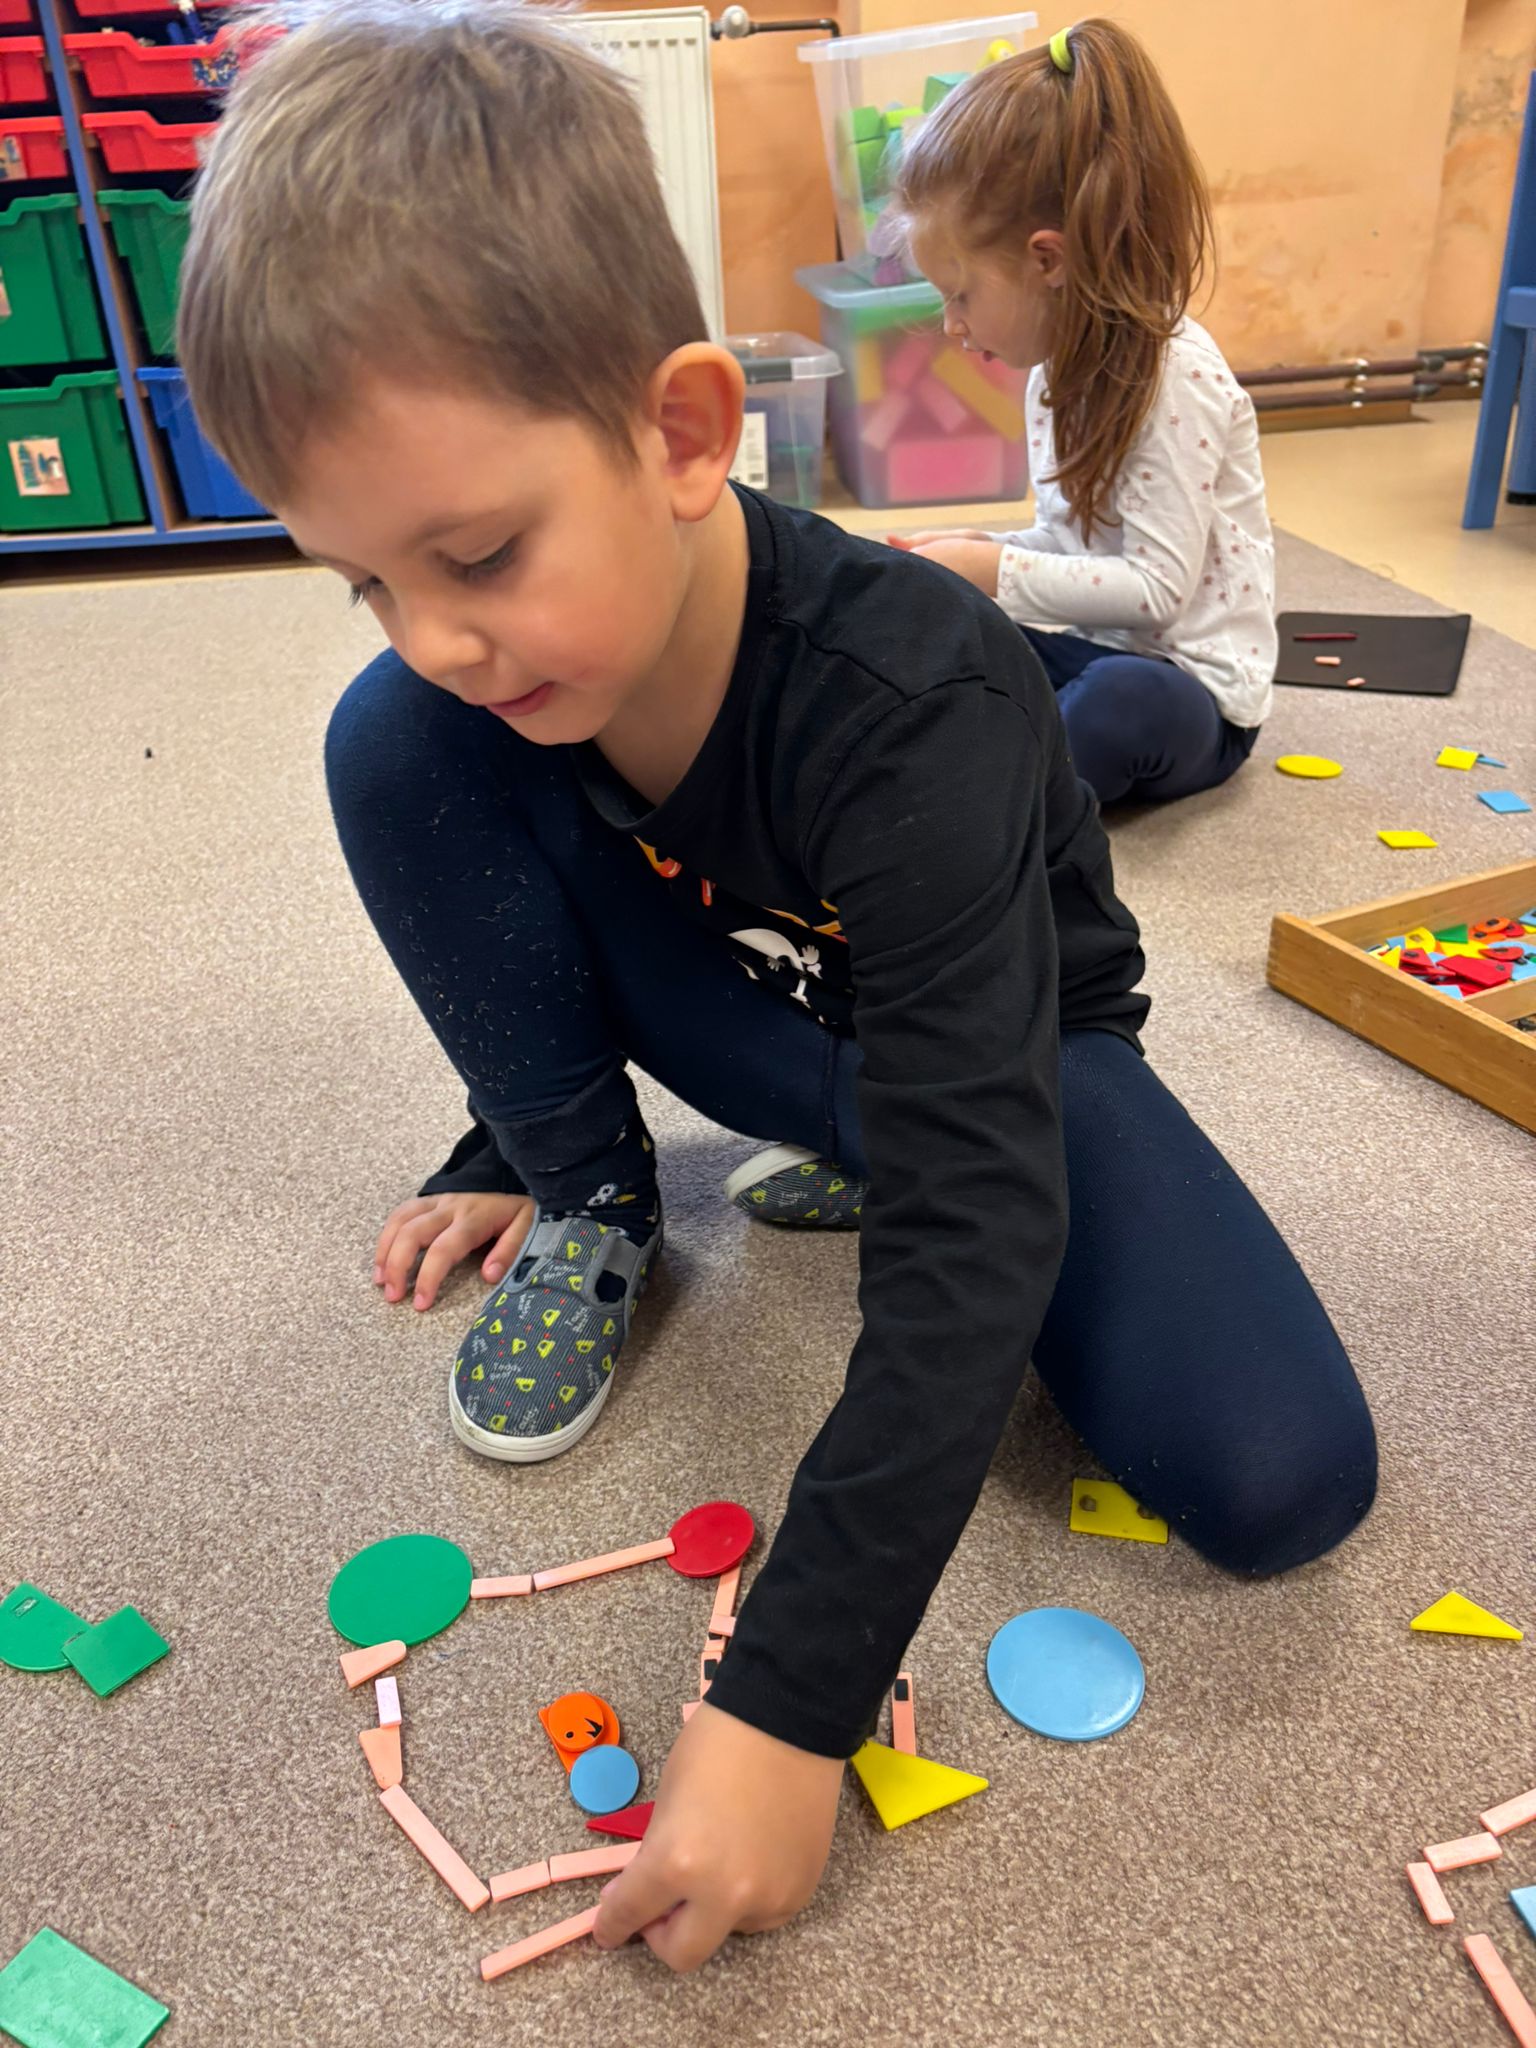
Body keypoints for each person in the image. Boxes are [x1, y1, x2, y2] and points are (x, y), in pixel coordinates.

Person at [176, 0, 1375, 1974]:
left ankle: (816, 1146)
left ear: (679, 433)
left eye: (478, 553)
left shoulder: (916, 698)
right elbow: (514, 856)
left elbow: (983, 1204)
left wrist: (790, 1696)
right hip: (750, 1014)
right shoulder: (476, 675)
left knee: (1279, 1475)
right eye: (370, 576)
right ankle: (590, 1190)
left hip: (987, 1044)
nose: (437, 630)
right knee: (388, 743)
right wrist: (521, 1124)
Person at [889, 18, 1275, 807]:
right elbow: (1072, 547)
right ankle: (987, 767)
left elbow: (1157, 590)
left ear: (1047, 260)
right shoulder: (1054, 372)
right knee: (935, 627)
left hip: (1188, 693)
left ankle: (1000, 803)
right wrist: (980, 552)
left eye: (961, 295)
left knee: (1116, 702)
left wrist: (996, 571)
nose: (952, 325)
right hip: (1089, 651)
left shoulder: (1175, 376)